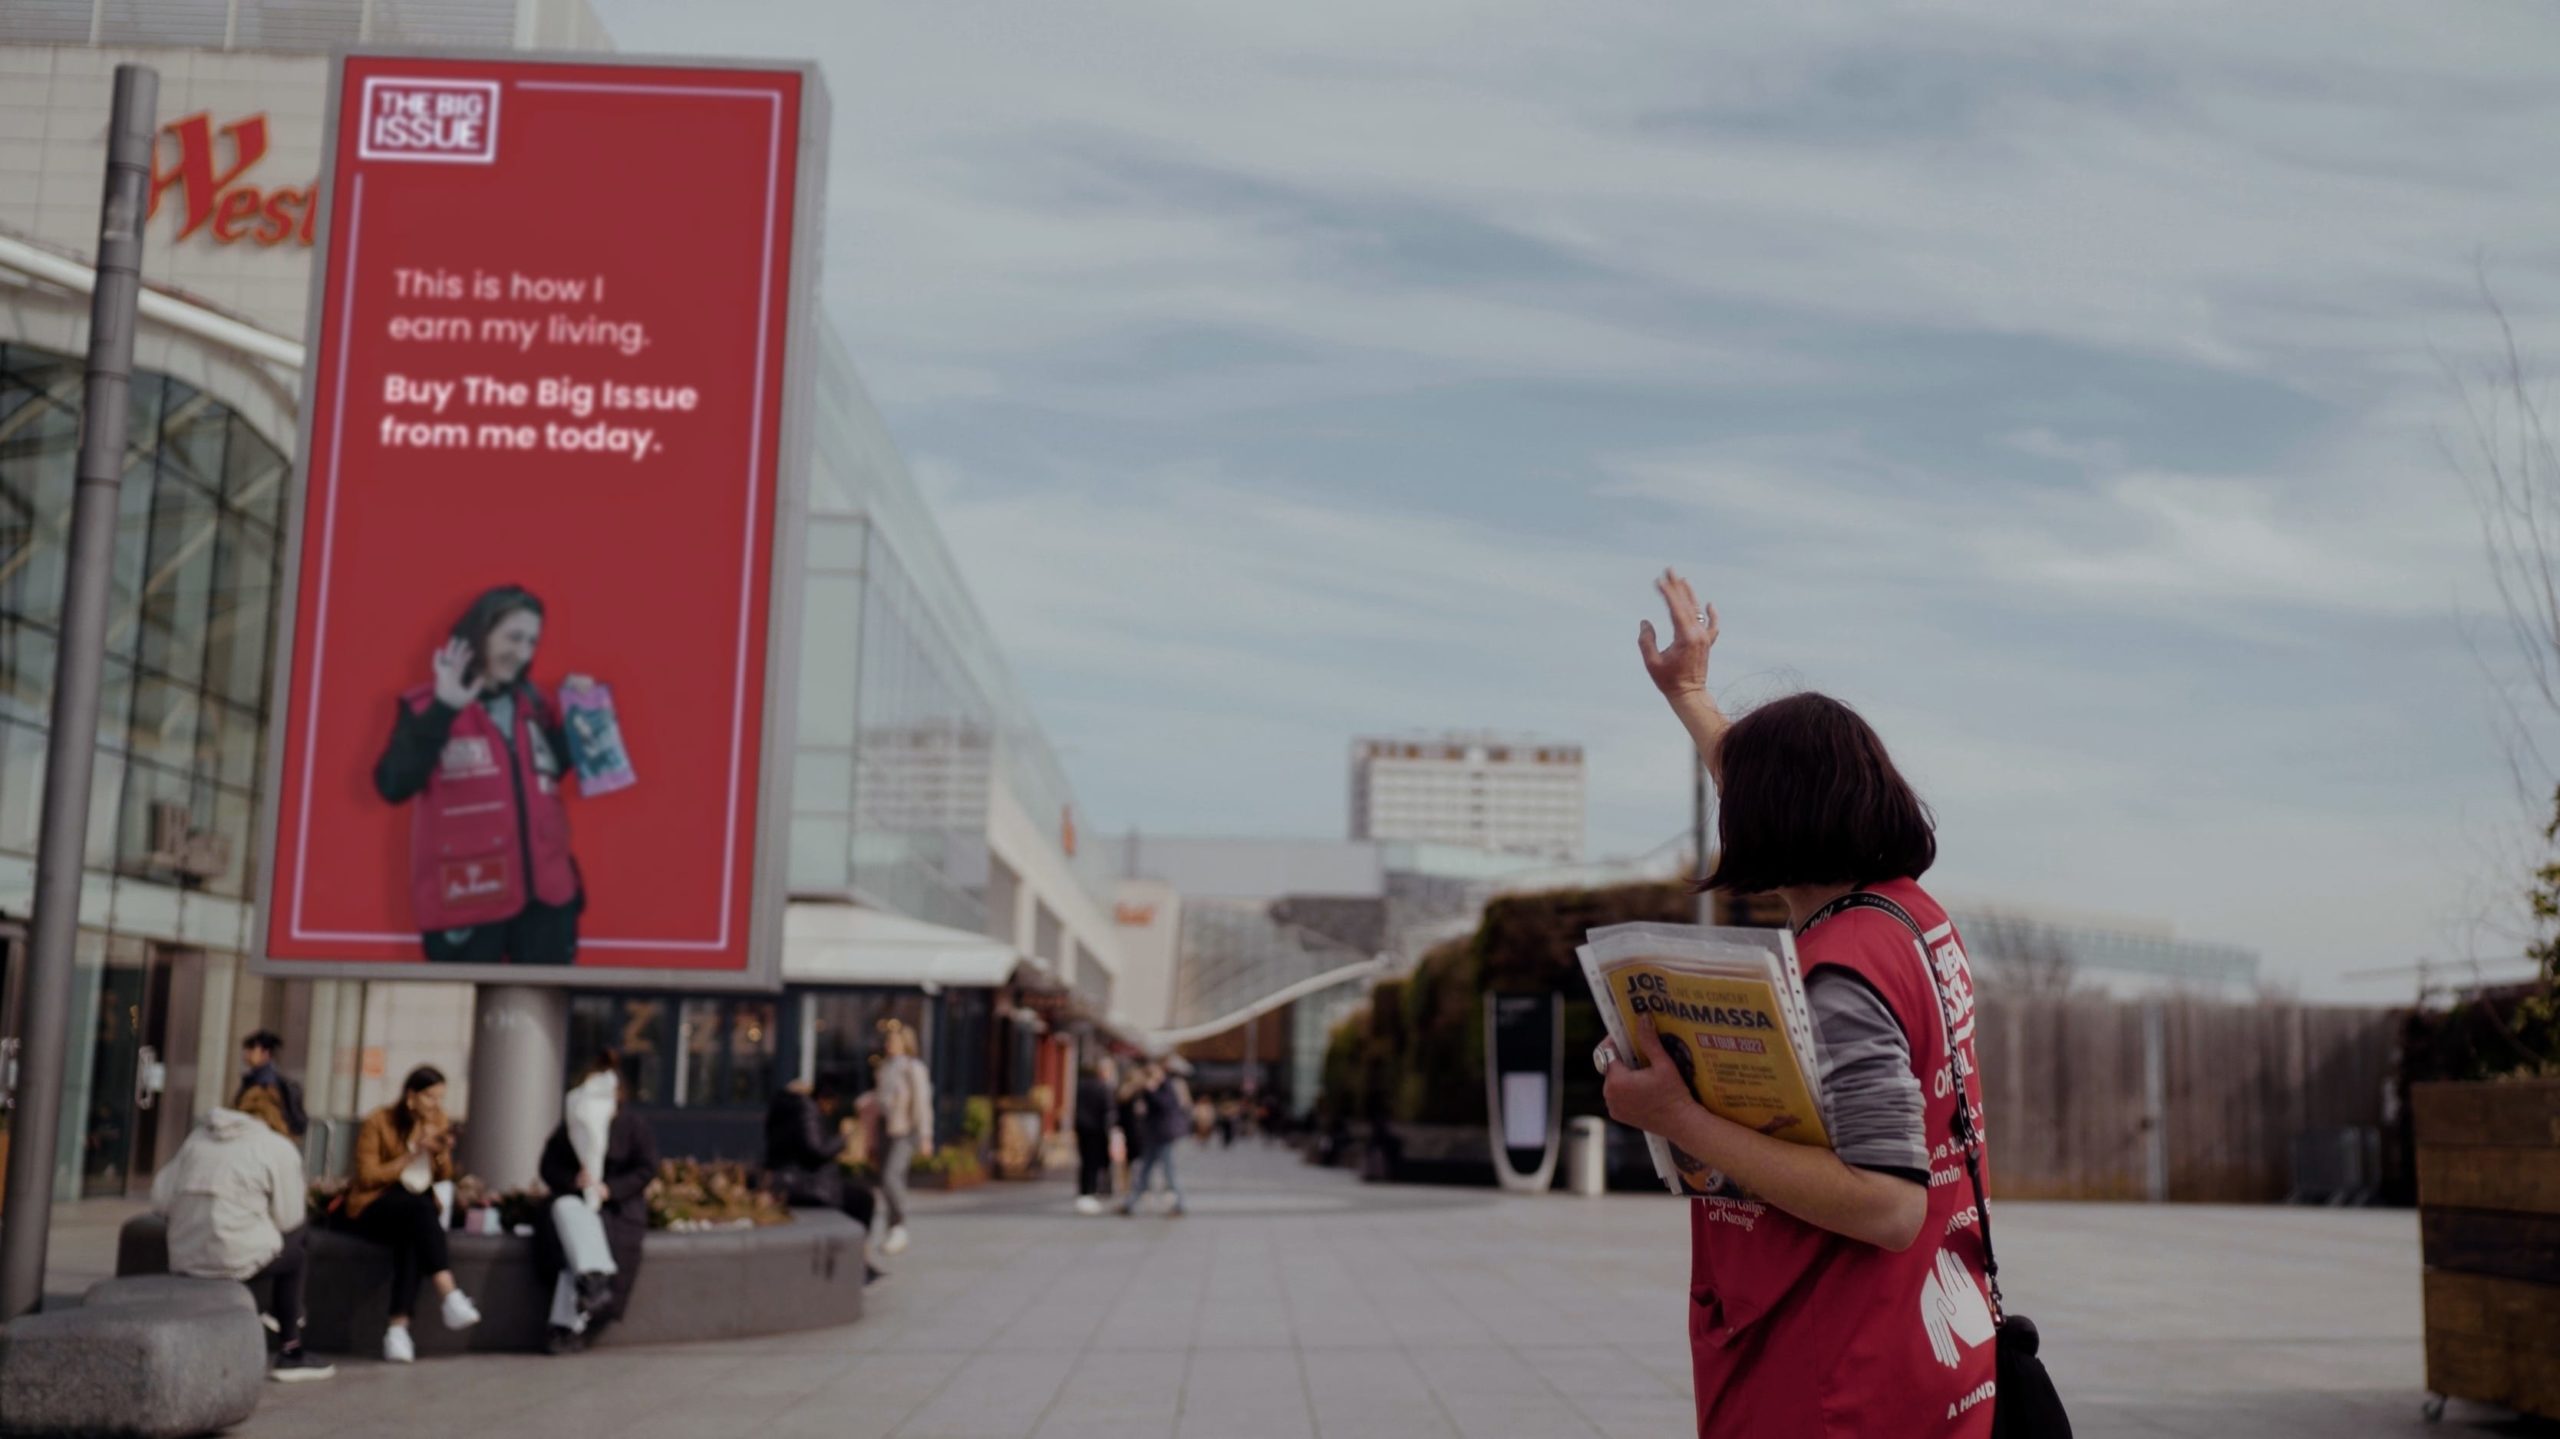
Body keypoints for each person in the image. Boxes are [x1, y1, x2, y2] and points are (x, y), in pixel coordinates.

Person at [1600, 569, 1997, 1438]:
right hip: (1923, 1358)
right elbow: (1764, 782)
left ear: (1772, 821)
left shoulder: (1839, 973)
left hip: (1833, 1381)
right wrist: (1693, 694)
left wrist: (1677, 1114)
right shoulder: (1908, 918)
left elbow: (1892, 1205)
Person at [373, 584, 597, 966]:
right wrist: (445, 709)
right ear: (480, 632)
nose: (523, 652)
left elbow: (544, 779)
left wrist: (581, 711)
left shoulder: (537, 705)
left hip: (548, 905)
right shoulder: (426, 705)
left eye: (531, 641)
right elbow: (393, 784)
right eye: (513, 637)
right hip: (469, 902)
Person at [152, 1104, 334, 1382]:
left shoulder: (197, 1138)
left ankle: (283, 1313)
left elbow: (160, 1199)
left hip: (184, 1257)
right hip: (232, 1258)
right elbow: (289, 1219)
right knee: (297, 1251)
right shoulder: (276, 1146)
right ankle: (291, 1347)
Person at [344, 1065, 481, 1362]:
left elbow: (444, 1176)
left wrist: (439, 1151)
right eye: (430, 1097)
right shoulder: (378, 1121)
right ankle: (448, 1294)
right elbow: (367, 1176)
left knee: (414, 1234)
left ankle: (398, 1331)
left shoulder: (437, 1121)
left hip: (412, 1211)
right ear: (411, 1095)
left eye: (440, 1098)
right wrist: (411, 1153)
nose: (436, 1105)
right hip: (373, 1205)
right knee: (420, 1212)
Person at [535, 1057, 658, 1354]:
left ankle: (567, 1323)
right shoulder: (571, 1125)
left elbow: (646, 1167)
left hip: (616, 1207)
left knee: (576, 1257)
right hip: (577, 1203)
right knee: (570, 1235)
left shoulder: (631, 1125)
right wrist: (574, 1180)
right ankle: (590, 1288)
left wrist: (611, 1190)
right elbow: (549, 1166)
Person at [763, 1078, 887, 1281]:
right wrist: (843, 1139)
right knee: (864, 1200)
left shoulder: (780, 1108)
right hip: (806, 1187)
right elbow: (817, 1150)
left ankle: (858, 1259)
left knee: (859, 1197)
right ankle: (858, 1261)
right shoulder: (805, 1108)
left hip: (784, 1182)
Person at [867, 1020, 932, 1256]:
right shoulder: (884, 1068)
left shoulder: (912, 1068)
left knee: (890, 1177)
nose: (889, 1044)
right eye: (887, 1041)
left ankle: (900, 1225)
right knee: (884, 1180)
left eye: (893, 1041)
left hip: (904, 1130)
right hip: (885, 1129)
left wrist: (925, 1136)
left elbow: (922, 1105)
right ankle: (891, 1229)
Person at [1121, 1062, 1192, 1218]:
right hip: (1153, 1135)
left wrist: (1151, 1091)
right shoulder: (1151, 1088)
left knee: (1168, 1171)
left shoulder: (1166, 1087)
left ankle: (1180, 1204)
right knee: (1145, 1171)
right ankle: (1130, 1203)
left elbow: (1165, 1105)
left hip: (1163, 1136)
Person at [235, 1030, 308, 1139]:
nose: (247, 1054)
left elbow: (262, 1116)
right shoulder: (262, 1079)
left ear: (265, 1053)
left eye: (251, 1049)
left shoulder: (265, 1085)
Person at [1072, 1057, 1117, 1215]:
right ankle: (1090, 1193)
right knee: (1093, 1163)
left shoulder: (1081, 1085)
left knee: (1085, 1162)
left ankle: (1084, 1193)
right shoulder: (1103, 1087)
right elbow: (1108, 1111)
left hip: (1082, 1128)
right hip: (1097, 1130)